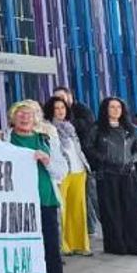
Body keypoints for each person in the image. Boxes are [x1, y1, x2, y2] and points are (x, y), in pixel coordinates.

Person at [5, 101, 78, 273]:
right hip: (17, 206)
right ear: (12, 118)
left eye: (29, 114)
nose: (24, 118)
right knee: (21, 251)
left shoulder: (46, 139)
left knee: (51, 252)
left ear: (36, 118)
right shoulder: (3, 139)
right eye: (20, 114)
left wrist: (46, 160)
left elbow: (61, 171)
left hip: (45, 201)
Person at [84, 97, 137, 256]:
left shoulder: (130, 128)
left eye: (118, 107)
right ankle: (116, 246)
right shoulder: (97, 128)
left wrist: (132, 160)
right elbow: (88, 147)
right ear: (105, 109)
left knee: (133, 210)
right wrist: (102, 158)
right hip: (107, 174)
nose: (115, 110)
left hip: (128, 173)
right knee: (111, 211)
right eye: (112, 107)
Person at [46, 96, 92, 256]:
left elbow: (77, 148)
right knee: (62, 211)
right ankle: (64, 245)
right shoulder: (48, 129)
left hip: (79, 170)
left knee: (79, 210)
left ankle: (80, 244)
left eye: (63, 108)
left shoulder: (70, 127)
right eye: (56, 108)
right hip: (63, 173)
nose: (60, 111)